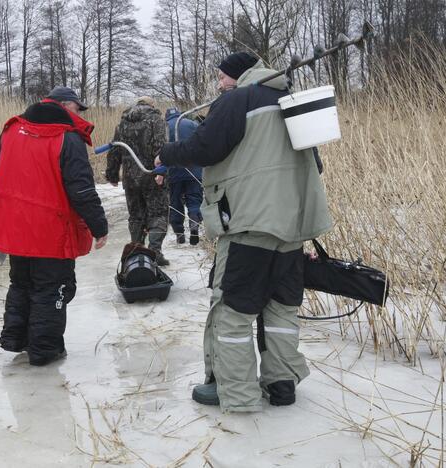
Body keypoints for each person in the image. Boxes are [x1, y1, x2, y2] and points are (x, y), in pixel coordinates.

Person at [155, 52, 332, 412]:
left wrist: (166, 154)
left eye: (221, 77)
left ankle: (237, 394)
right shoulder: (290, 100)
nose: (218, 84)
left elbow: (205, 148)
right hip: (292, 228)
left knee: (232, 315)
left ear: (238, 75)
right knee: (281, 312)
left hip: (250, 225)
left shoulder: (237, 100)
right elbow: (315, 164)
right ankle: (282, 385)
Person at [0, 86, 109, 366]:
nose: (79, 115)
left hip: (17, 228)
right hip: (52, 231)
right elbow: (81, 189)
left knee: (22, 282)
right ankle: (43, 350)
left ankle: (16, 339)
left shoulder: (11, 130)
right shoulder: (67, 139)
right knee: (53, 288)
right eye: (77, 108)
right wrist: (99, 226)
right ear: (64, 106)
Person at [105, 96, 170, 266]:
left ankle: (137, 253)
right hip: (151, 175)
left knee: (135, 215)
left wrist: (112, 174)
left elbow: (114, 150)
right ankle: (155, 252)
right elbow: (161, 146)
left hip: (130, 179)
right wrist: (161, 172)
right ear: (151, 104)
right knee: (158, 213)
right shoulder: (156, 120)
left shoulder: (122, 124)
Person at [164, 107, 203, 245]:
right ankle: (194, 225)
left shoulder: (165, 127)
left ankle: (179, 233)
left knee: (175, 202)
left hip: (174, 172)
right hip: (194, 170)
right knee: (194, 199)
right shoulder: (192, 124)